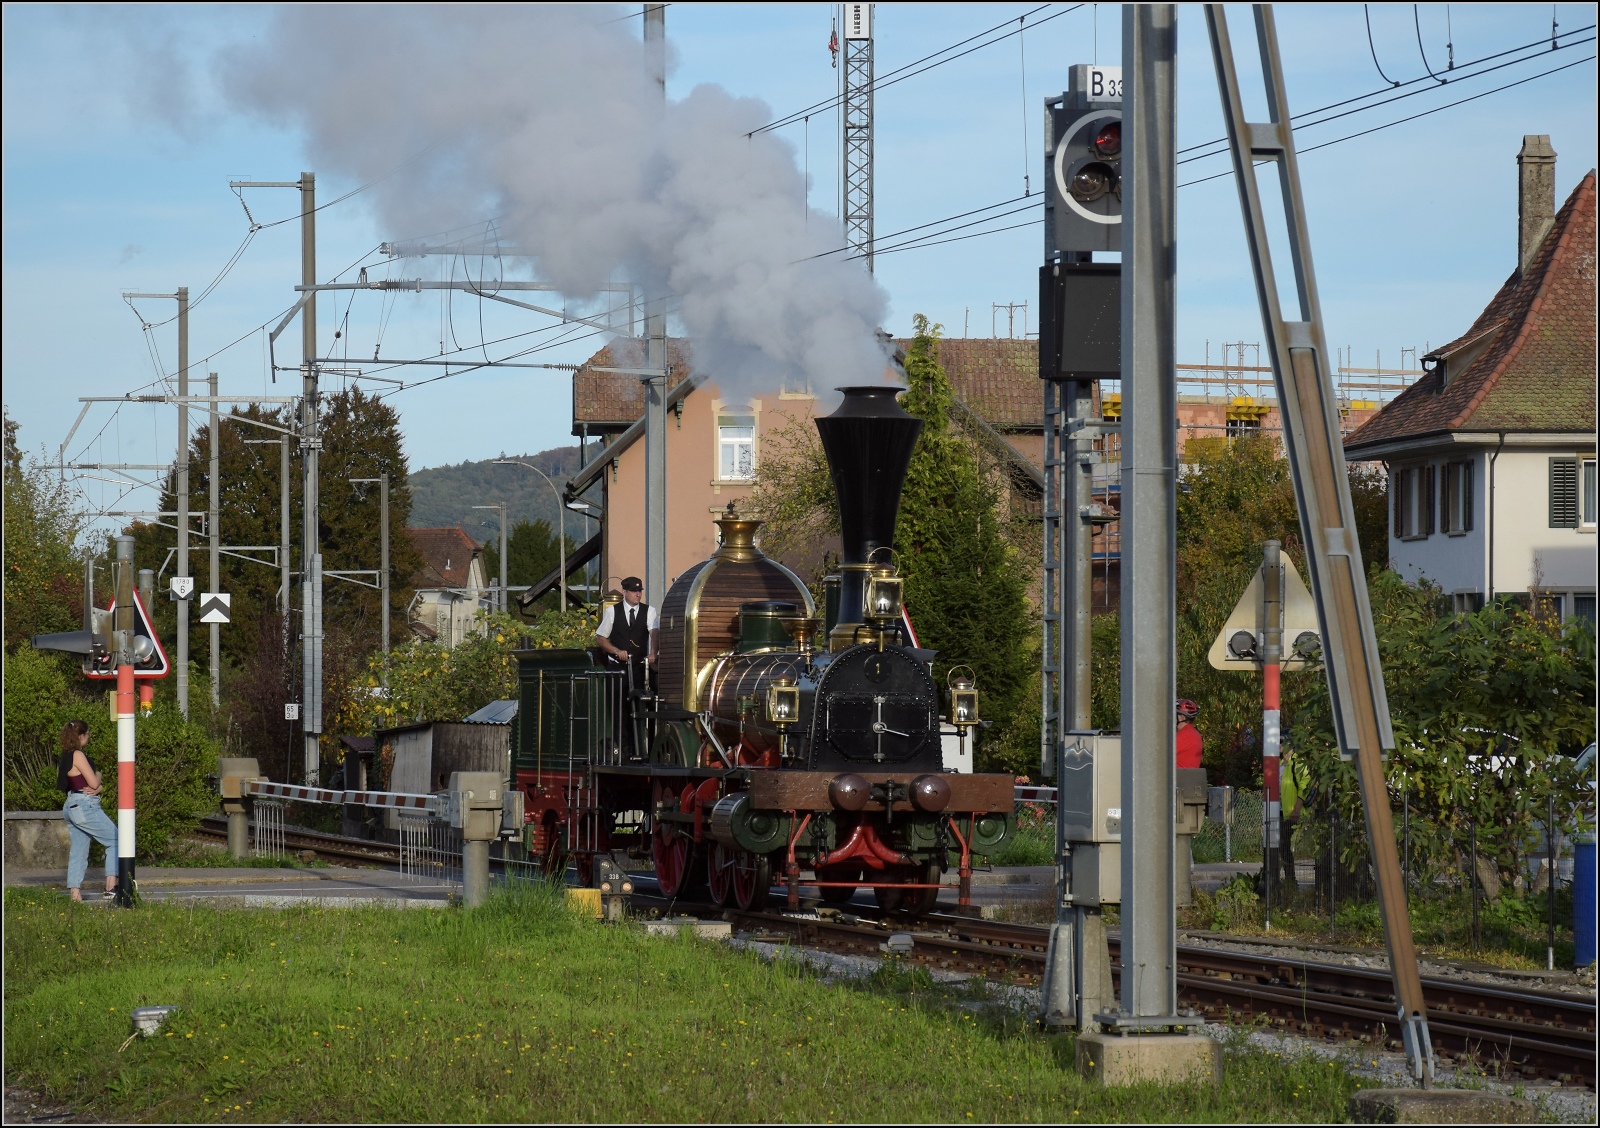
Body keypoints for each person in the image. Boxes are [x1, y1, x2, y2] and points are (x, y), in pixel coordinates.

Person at [58, 720, 118, 903]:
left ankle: (75, 895)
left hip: (71, 804)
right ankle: (111, 887)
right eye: (88, 734)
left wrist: (97, 786)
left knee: (79, 850)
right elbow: (93, 782)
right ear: (81, 736)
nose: (89, 737)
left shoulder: (65, 756)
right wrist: (99, 778)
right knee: (116, 838)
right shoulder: (78, 755)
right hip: (85, 805)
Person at [1279, 744, 1310, 893]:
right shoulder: (1280, 763)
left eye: (1281, 743)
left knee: (1284, 845)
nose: (1278, 746)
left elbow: (1304, 785)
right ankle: (1288, 880)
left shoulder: (1298, 763)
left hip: (1293, 813)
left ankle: (1291, 880)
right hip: (1280, 811)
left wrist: (1297, 808)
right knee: (1281, 846)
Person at [1175, 699, 1203, 769]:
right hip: (1184, 777)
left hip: (1179, 778)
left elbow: (1160, 754)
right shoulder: (1193, 733)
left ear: (1181, 717)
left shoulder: (1185, 735)